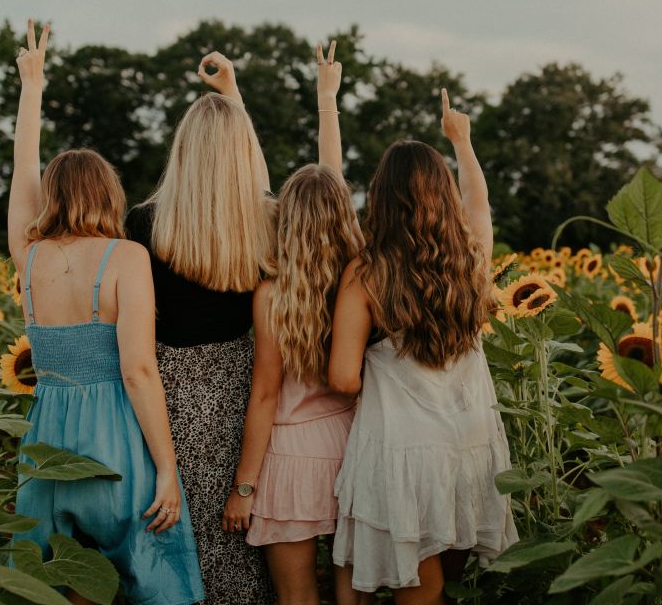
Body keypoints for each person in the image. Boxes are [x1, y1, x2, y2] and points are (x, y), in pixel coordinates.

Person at [8, 20, 204, 605]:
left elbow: (22, 173)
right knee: (153, 577)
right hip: (115, 438)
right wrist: (167, 469)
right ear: (109, 195)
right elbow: (139, 370)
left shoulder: (31, 257)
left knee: (66, 579)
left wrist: (32, 88)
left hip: (47, 438)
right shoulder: (126, 258)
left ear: (53, 196)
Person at [328, 90, 519, 603]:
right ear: (443, 195)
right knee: (449, 575)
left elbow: (344, 377)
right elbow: (479, 204)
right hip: (469, 437)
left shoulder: (366, 273)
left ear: (381, 197)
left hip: (404, 447)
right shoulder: (470, 259)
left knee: (420, 588)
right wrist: (463, 140)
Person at [220, 42, 372, 605]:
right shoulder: (360, 280)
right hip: (355, 443)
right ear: (342, 215)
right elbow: (329, 181)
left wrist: (244, 487)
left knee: (295, 598)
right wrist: (327, 100)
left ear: (285, 216)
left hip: (289, 455)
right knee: (356, 592)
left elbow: (264, 395)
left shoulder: (272, 295)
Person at [125, 52, 276, 603]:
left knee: (169, 542)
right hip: (241, 395)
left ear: (181, 151)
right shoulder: (261, 225)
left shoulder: (145, 223)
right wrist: (234, 97)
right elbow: (257, 182)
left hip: (164, 398)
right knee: (235, 546)